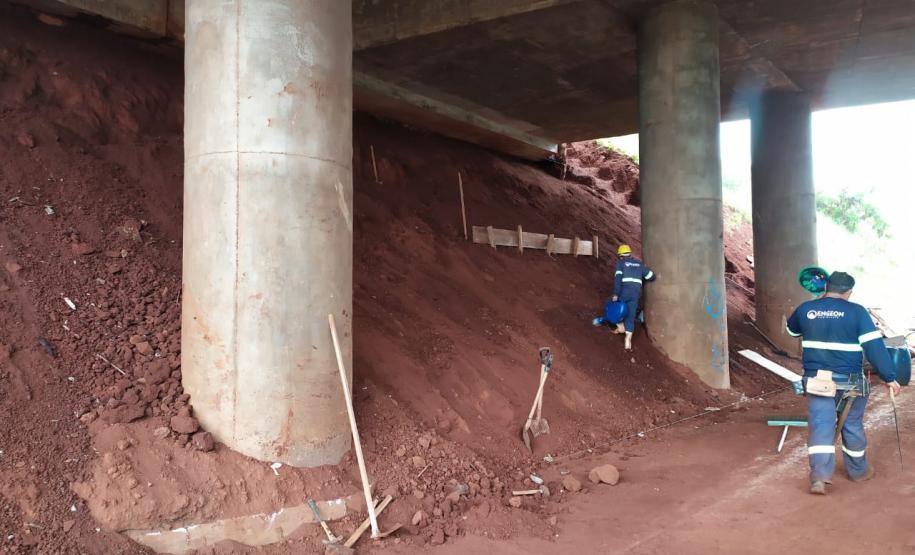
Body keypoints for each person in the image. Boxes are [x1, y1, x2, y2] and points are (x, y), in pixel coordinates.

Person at [786, 271, 901, 495]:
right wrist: (889, 377)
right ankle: (858, 472)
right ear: (849, 291)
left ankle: (819, 478)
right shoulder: (857, 312)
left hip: (817, 379)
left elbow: (792, 330)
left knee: (821, 424)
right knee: (852, 423)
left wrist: (817, 314)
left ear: (826, 287)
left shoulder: (806, 308)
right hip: (852, 381)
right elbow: (875, 348)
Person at [611, 244, 655, 351]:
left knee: (615, 308)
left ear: (620, 256)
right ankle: (628, 342)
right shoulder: (639, 264)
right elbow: (651, 276)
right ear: (629, 254)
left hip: (624, 292)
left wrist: (616, 294)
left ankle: (620, 326)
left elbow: (617, 281)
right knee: (631, 316)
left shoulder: (620, 263)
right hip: (635, 293)